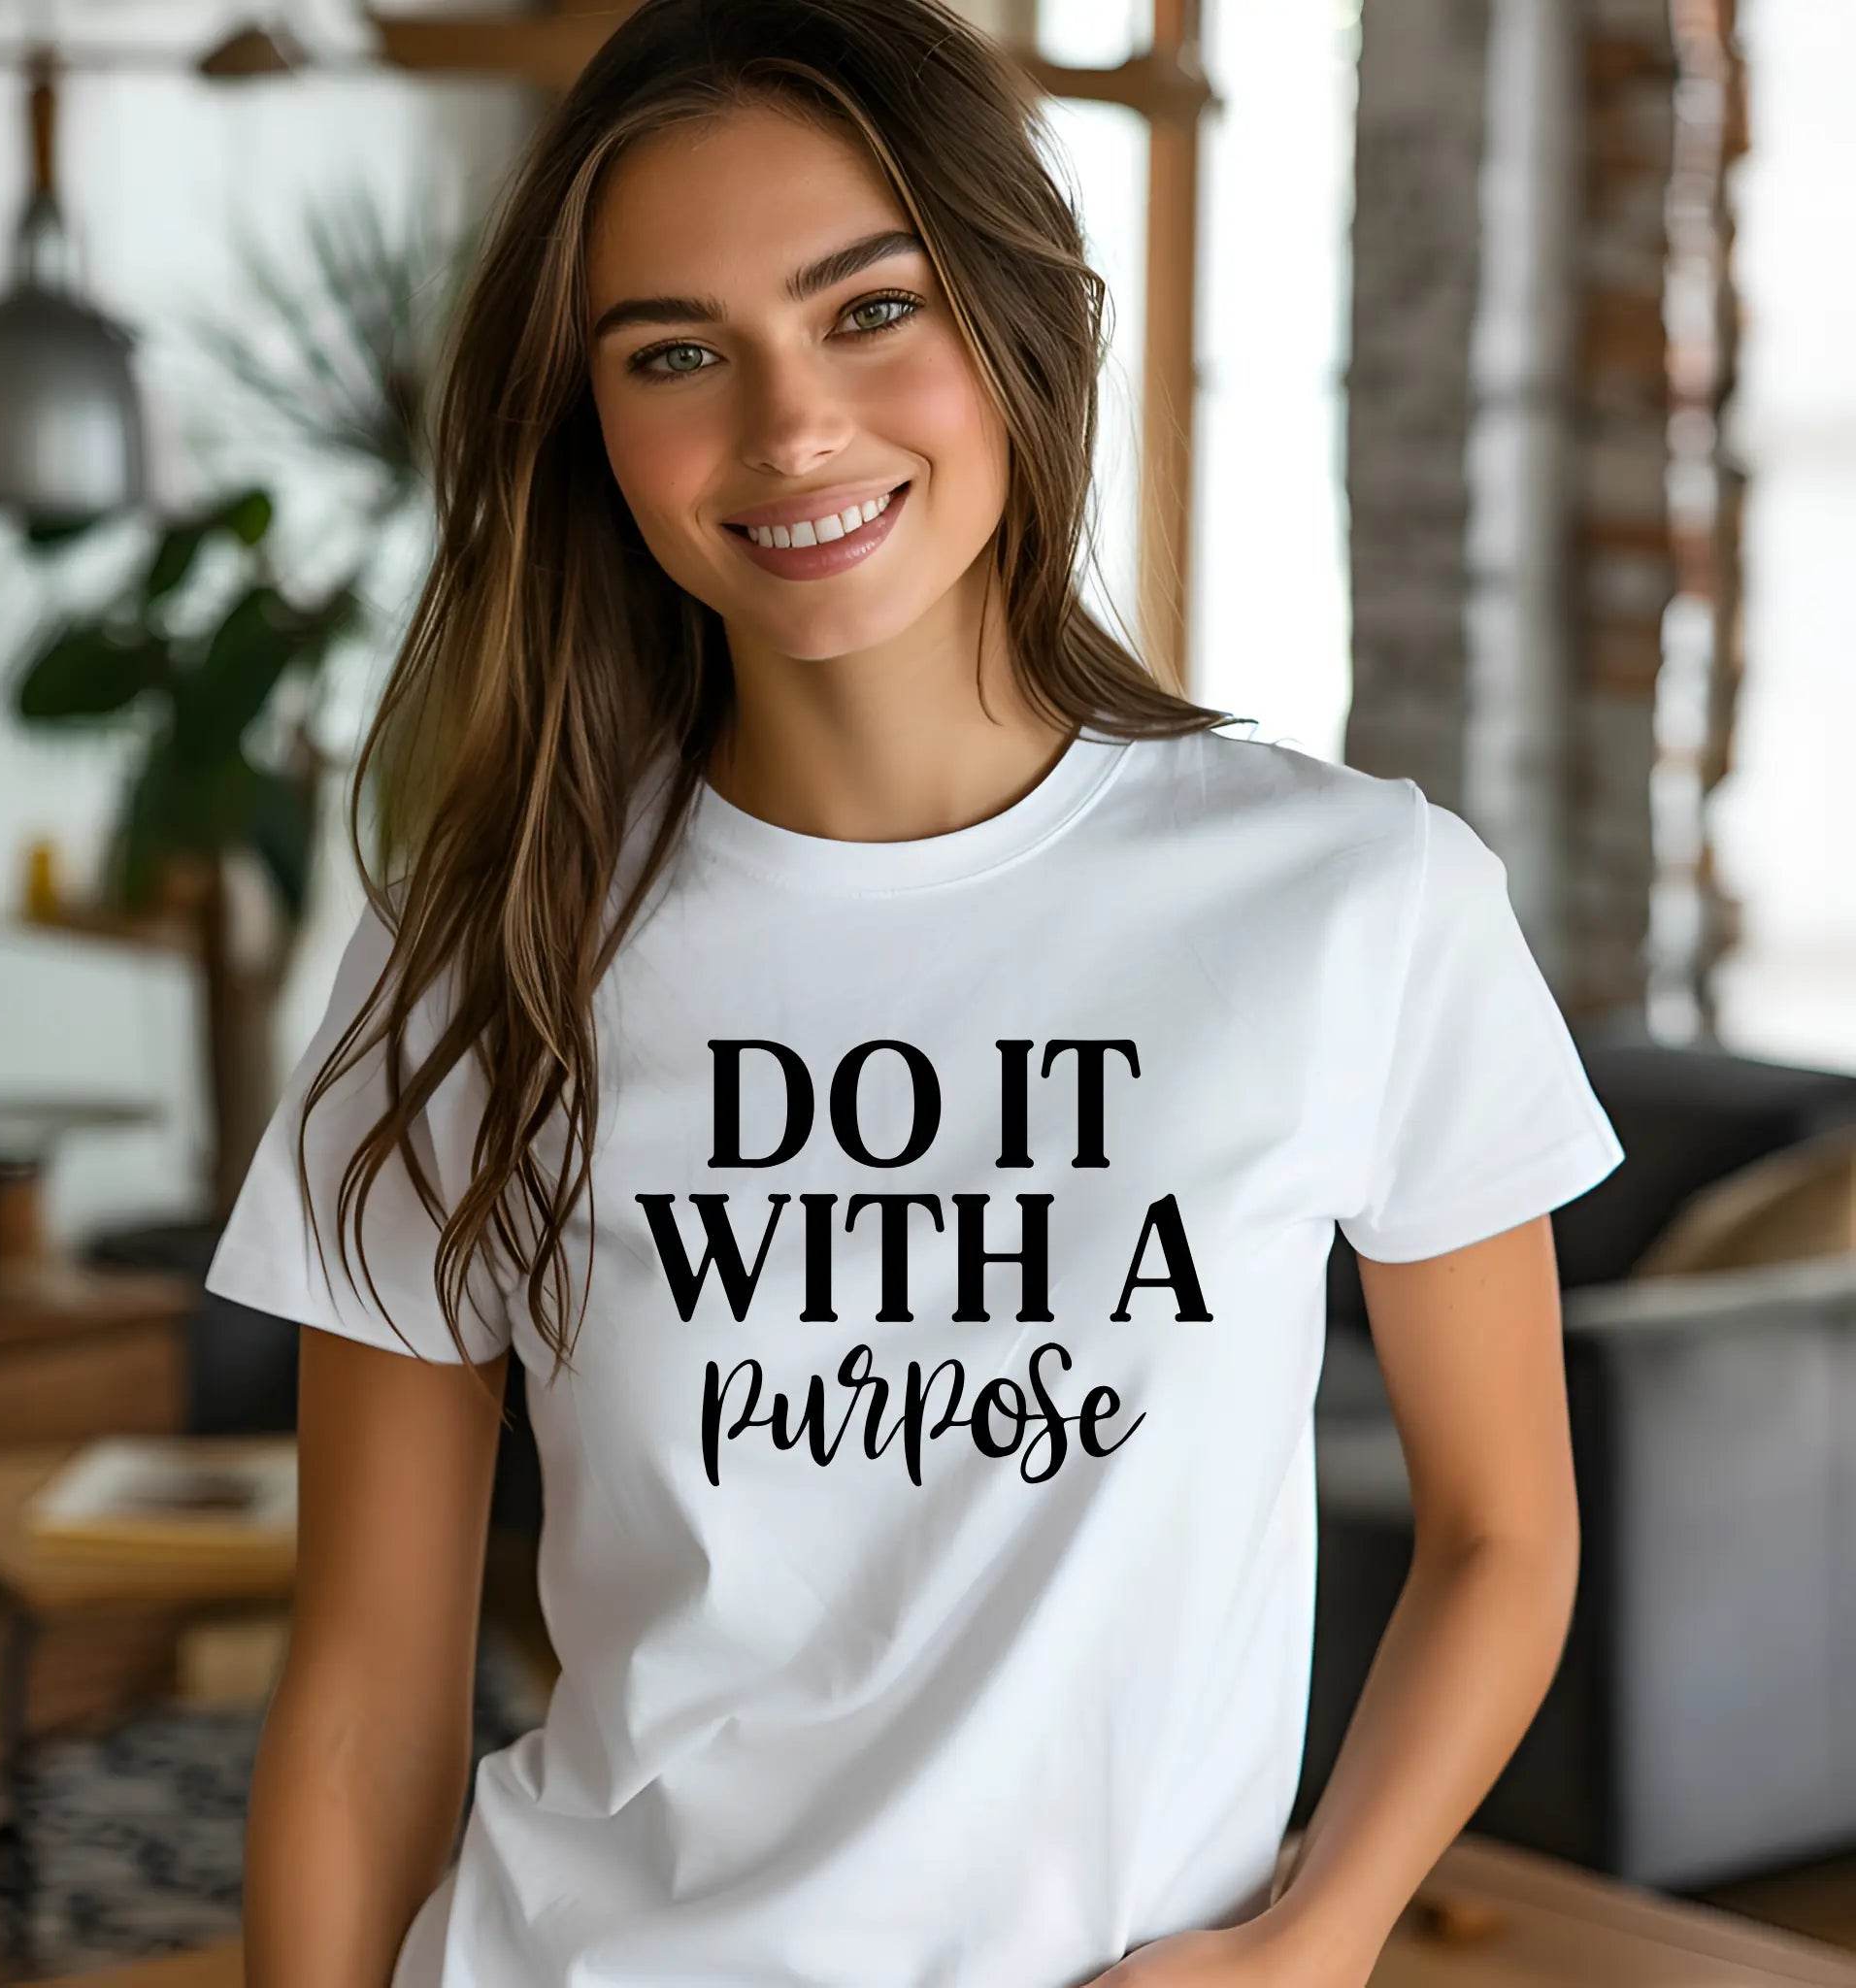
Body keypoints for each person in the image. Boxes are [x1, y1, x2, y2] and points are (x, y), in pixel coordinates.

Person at [201, 1, 1627, 1983]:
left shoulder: (1356, 900)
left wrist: (1312, 1939)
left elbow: (1502, 1537)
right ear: (592, 427)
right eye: (675, 353)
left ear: (1018, 316)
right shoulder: (485, 941)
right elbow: (364, 1702)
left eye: (870, 310)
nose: (789, 427)